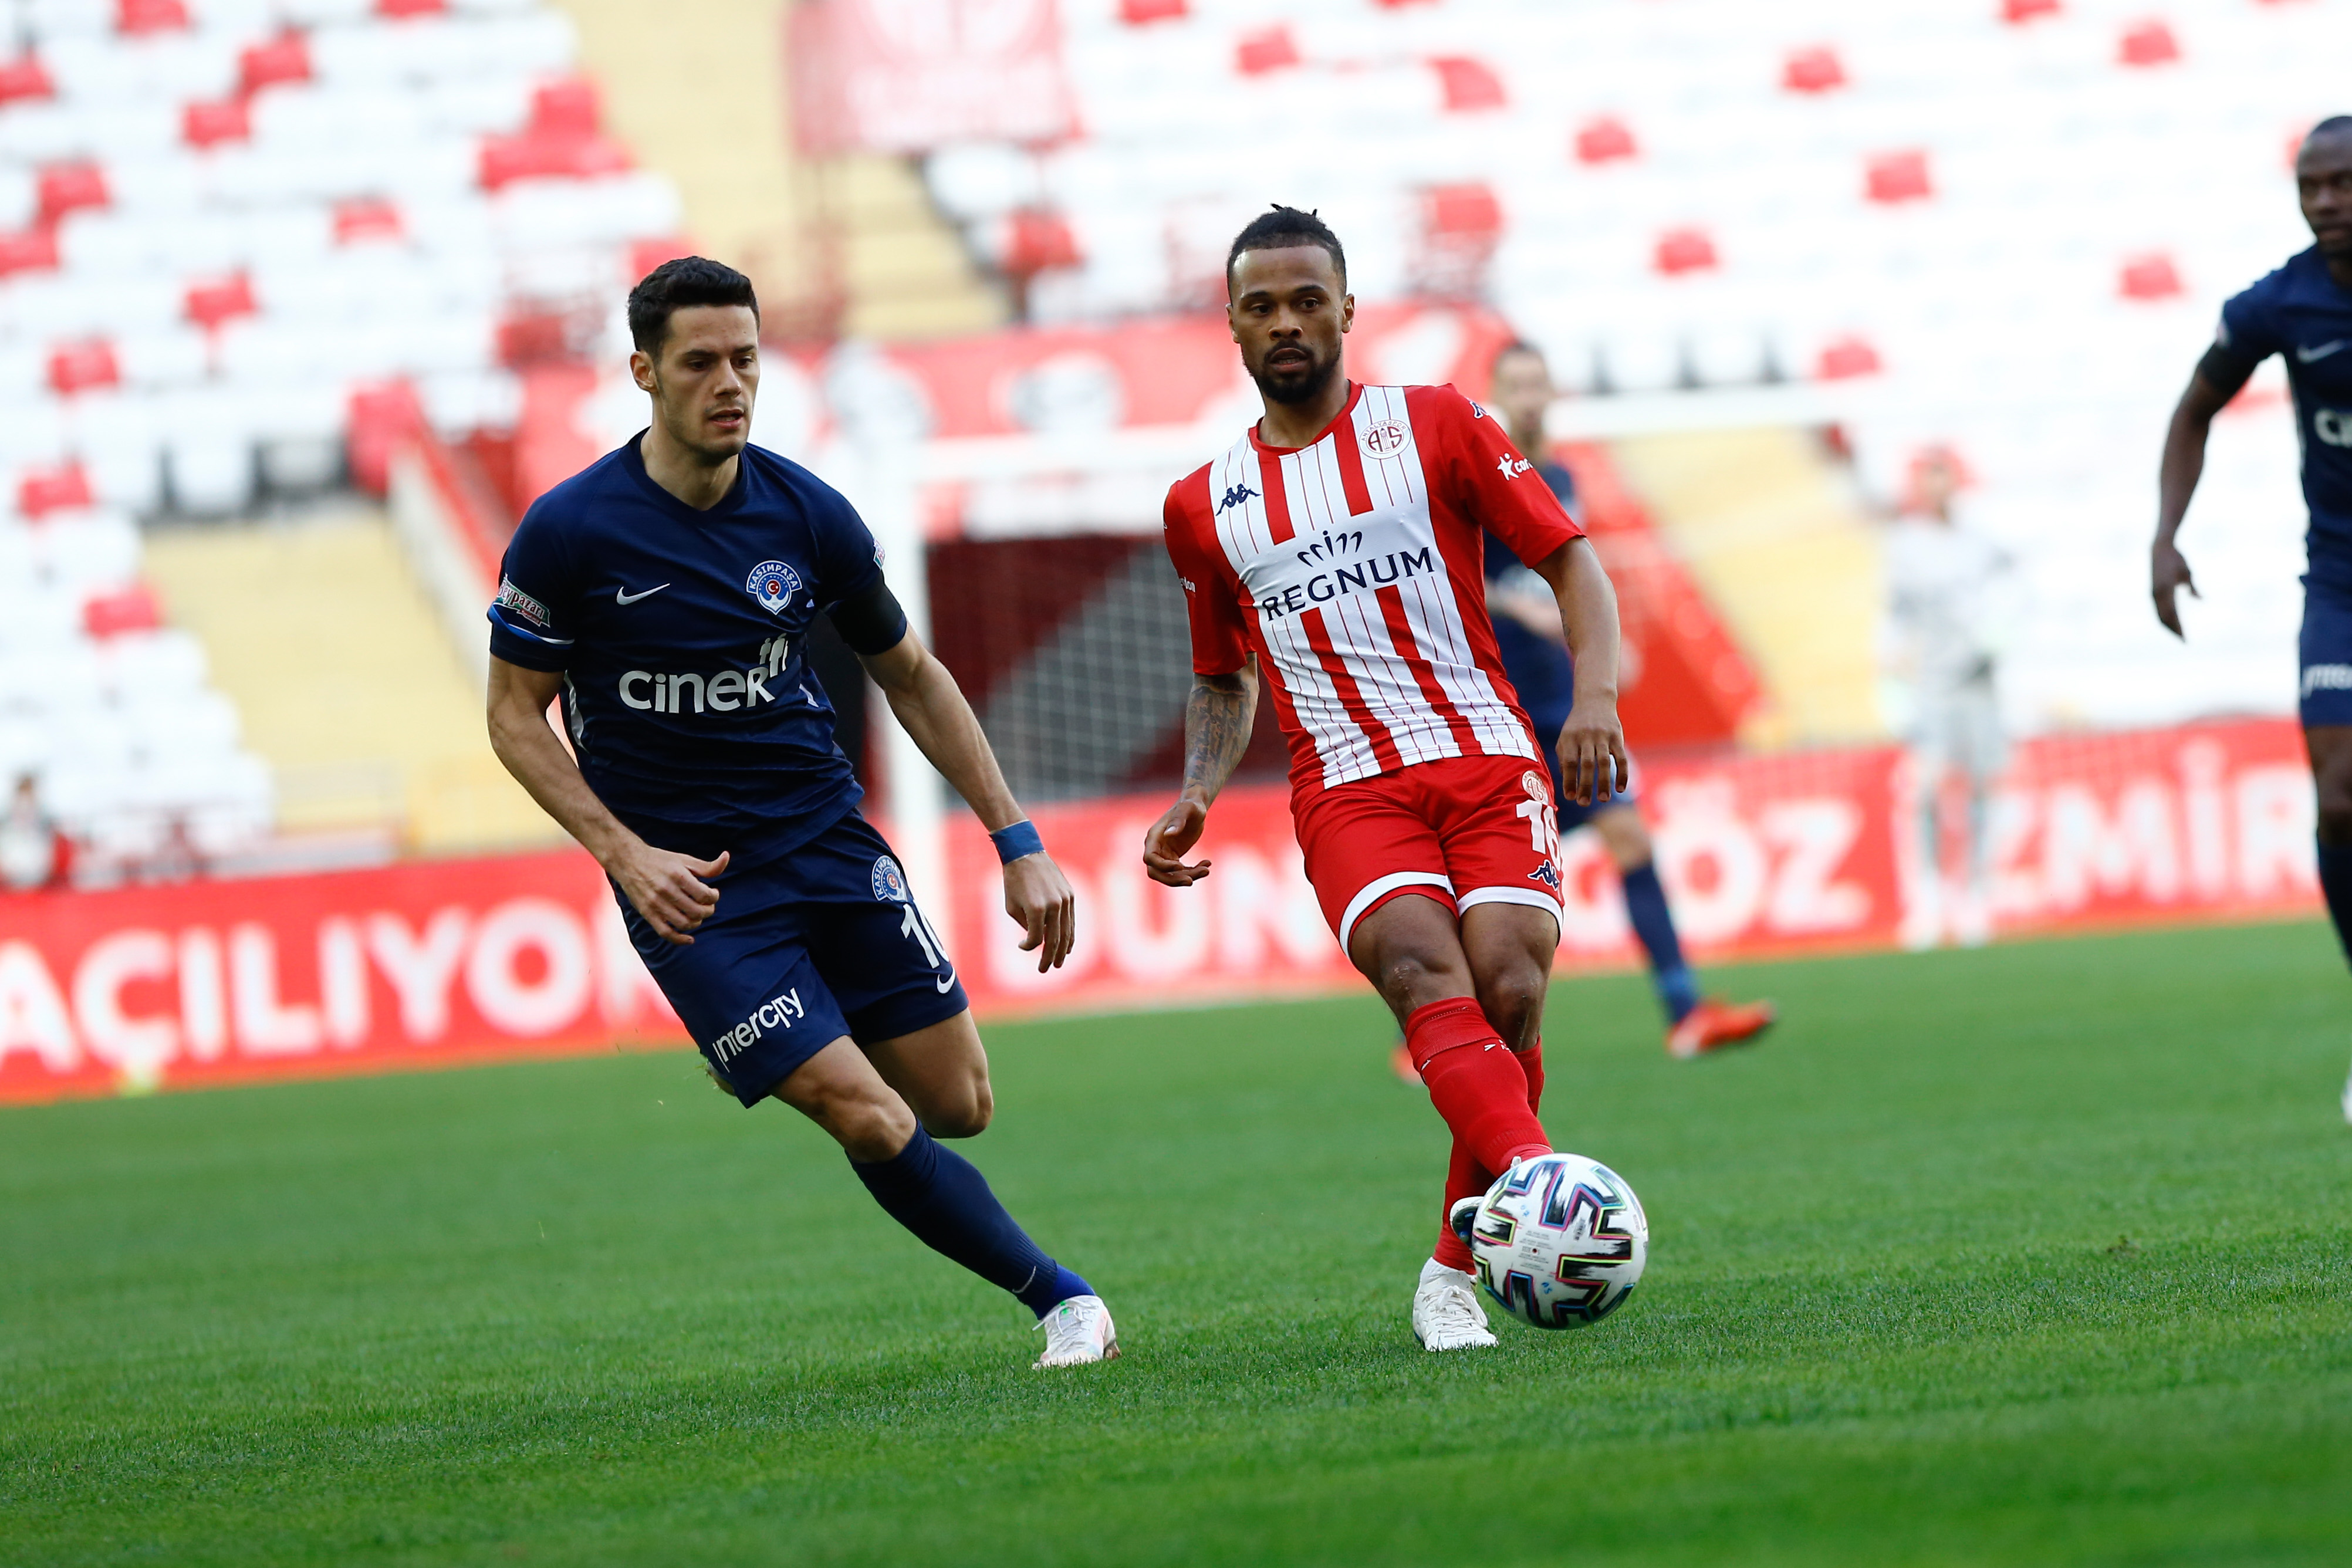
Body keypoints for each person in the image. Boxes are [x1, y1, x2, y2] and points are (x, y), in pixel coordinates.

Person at [484, 257, 1118, 1367]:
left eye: (745, 359)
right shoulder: (570, 533)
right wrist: (624, 854)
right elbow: (512, 716)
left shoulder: (808, 514)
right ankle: (1062, 1302)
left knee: (960, 1103)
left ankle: (786, 1023)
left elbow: (911, 674)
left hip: (826, 843)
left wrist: (1016, 840)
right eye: (699, 363)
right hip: (694, 893)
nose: (729, 383)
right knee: (869, 1115)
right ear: (643, 373)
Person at [1144, 207, 1623, 1352]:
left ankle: (1453, 1267)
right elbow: (1221, 677)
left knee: (1509, 987)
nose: (1287, 322)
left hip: (1485, 750)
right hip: (1349, 786)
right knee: (1419, 971)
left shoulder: (1439, 423)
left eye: (1308, 300)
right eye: (1262, 305)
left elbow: (1570, 560)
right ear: (1232, 326)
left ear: (1347, 311)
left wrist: (1596, 699)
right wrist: (1198, 788)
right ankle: (1547, 1192)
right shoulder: (1201, 505)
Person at [1466, 342, 1776, 1056]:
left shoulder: (1560, 478)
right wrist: (1519, 609)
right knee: (1483, 877)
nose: (1530, 396)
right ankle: (1422, 1026)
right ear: (1496, 394)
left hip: (1564, 700)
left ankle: (1685, 1012)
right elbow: (1448, 571)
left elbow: (1570, 570)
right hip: (1499, 706)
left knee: (1630, 837)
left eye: (1539, 383)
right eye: (1516, 384)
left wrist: (1600, 642)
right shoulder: (1477, 474)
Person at [2150, 116, 2352, 1124]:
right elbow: (2193, 409)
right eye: (2311, 186)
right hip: (2341, 586)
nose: (2326, 201)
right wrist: (2165, 535)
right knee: (2340, 799)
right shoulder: (2279, 303)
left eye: (2342, 183)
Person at [1883, 446, 2012, 950]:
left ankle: (1976, 894)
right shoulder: (1905, 546)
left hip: (1979, 679)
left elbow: (2012, 596)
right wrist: (1894, 681)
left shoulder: (1979, 542)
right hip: (1931, 681)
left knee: (1982, 784)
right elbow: (1895, 615)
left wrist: (2000, 635)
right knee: (1928, 786)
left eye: (1945, 477)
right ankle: (1929, 896)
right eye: (1929, 479)